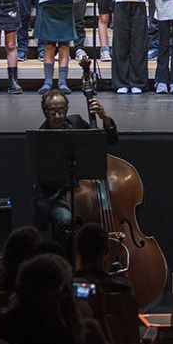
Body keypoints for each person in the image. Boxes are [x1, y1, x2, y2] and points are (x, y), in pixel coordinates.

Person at [34, 87, 117, 247]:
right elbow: (45, 179)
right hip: (57, 198)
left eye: (61, 110)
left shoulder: (76, 123)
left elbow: (109, 141)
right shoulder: (42, 137)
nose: (57, 116)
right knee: (66, 220)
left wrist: (104, 118)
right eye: (52, 112)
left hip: (84, 192)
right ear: (45, 112)